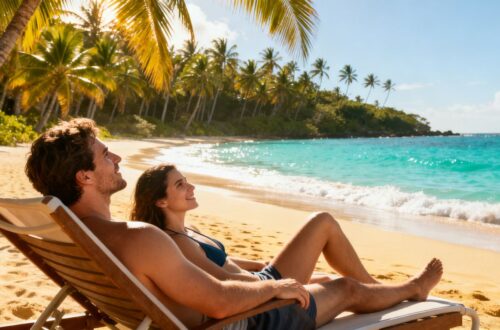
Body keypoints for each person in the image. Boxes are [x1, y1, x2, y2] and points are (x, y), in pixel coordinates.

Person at [26, 118, 443, 329]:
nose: (116, 159)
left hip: (203, 316)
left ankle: (391, 292)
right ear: (84, 177)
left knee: (320, 268)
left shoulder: (78, 235)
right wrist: (275, 286)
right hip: (239, 323)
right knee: (346, 288)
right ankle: (408, 291)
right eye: (105, 156)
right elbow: (222, 302)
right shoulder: (139, 237)